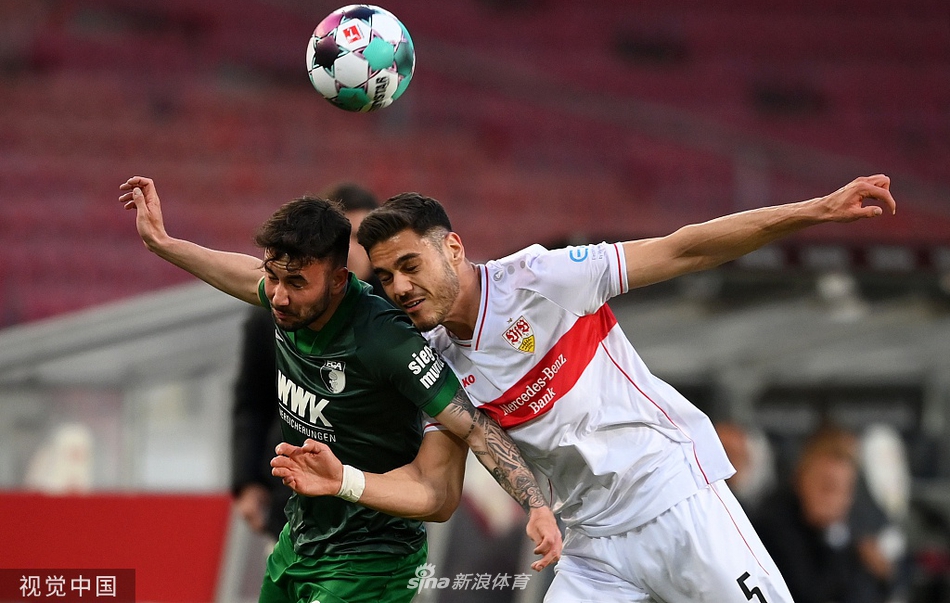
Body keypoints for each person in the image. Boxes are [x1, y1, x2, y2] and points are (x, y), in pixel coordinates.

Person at [272, 174, 896, 603]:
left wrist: (813, 211)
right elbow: (436, 491)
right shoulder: (433, 361)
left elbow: (684, 250)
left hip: (673, 501)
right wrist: (345, 479)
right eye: (385, 278)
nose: (400, 288)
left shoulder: (542, 278)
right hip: (592, 547)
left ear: (453, 249)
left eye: (411, 266)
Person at [118, 176, 561, 603]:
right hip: (300, 539)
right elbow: (240, 272)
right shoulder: (288, 302)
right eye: (273, 277)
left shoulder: (386, 340)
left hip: (371, 556)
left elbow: (474, 427)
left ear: (337, 280)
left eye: (296, 283)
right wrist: (163, 243)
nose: (278, 296)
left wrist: (535, 505)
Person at [231, 183, 387, 542]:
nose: (352, 251)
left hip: (377, 508)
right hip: (291, 500)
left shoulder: (396, 318)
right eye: (343, 240)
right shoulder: (271, 314)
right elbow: (251, 402)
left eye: (361, 239)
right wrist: (246, 481)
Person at [753, 425, 887, 603]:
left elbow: (864, 592)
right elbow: (809, 594)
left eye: (844, 490)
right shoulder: (773, 526)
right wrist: (835, 538)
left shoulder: (848, 530)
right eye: (827, 486)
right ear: (801, 480)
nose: (835, 499)